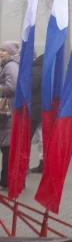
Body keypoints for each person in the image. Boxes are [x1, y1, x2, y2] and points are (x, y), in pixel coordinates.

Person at [0, 41, 20, 189]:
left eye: (4, 50)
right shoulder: (8, 65)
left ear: (10, 52)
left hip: (8, 111)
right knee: (7, 146)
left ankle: (6, 181)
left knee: (7, 147)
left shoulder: (10, 66)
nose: (1, 52)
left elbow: (11, 87)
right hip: (8, 112)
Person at [29, 54, 44, 173]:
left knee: (29, 137)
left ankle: (23, 165)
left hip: (35, 108)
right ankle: (42, 163)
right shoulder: (43, 68)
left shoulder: (37, 68)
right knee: (41, 136)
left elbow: (33, 85)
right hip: (41, 107)